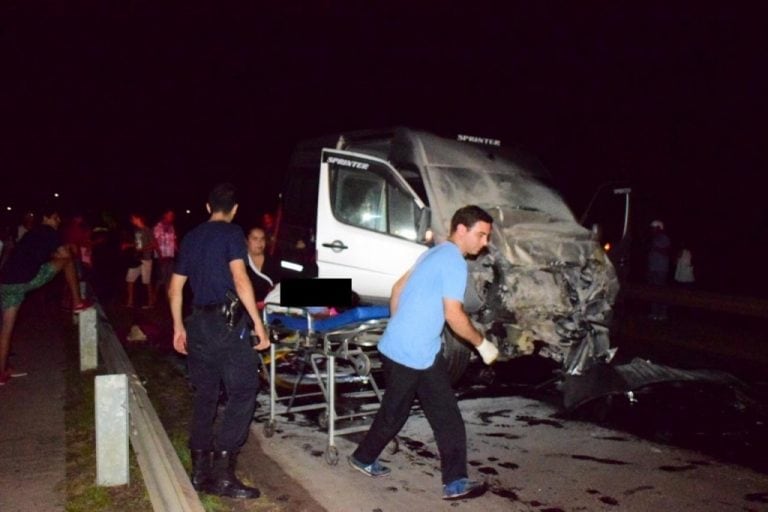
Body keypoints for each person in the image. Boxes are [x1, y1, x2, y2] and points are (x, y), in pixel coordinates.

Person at [349, 205, 499, 501]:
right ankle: (363, 458)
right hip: (408, 353)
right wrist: (482, 344)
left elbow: (397, 289)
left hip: (416, 350)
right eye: (481, 235)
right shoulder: (454, 261)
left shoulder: (433, 252)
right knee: (395, 413)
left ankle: (455, 482)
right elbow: (454, 315)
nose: (484, 243)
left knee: (444, 415)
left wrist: (401, 326)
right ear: (461, 230)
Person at [169, 182, 270, 499]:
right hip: (228, 326)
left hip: (197, 323)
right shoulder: (232, 234)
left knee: (206, 395)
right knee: (244, 391)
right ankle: (224, 473)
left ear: (208, 207)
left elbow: (174, 289)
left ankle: (199, 472)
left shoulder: (192, 237)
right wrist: (258, 324)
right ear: (235, 209)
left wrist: (177, 328)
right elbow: (240, 279)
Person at [0, 206, 91, 385]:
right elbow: (63, 255)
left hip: (6, 284)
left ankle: (0, 373)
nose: (58, 222)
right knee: (67, 260)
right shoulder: (49, 231)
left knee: (5, 331)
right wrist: (68, 251)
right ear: (46, 218)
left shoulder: (31, 234)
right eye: (55, 218)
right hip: (25, 280)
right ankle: (77, 302)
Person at [123, 213, 156, 308]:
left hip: (146, 258)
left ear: (138, 218)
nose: (132, 220)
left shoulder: (147, 230)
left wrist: (142, 249)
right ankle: (130, 302)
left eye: (133, 218)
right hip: (136, 259)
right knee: (129, 279)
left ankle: (151, 303)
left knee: (146, 281)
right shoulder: (137, 231)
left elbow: (153, 245)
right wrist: (128, 245)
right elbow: (138, 245)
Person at [245, 226, 281, 303]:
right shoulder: (240, 261)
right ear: (246, 241)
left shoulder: (272, 261)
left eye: (262, 239)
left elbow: (277, 285)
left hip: (267, 305)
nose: (260, 242)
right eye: (255, 239)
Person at [647, 219, 671, 320]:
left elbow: (667, 252)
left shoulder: (664, 238)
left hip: (660, 269)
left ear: (658, 228)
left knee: (660, 291)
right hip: (653, 268)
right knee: (653, 291)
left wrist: (655, 248)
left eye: (653, 228)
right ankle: (654, 313)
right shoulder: (653, 238)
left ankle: (662, 314)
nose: (652, 230)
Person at [152, 208, 178, 302]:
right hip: (161, 256)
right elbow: (155, 242)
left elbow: (173, 241)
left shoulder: (171, 227)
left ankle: (168, 298)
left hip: (170, 256)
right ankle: (153, 296)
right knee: (160, 279)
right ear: (165, 215)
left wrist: (178, 251)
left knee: (169, 278)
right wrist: (160, 255)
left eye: (173, 215)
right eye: (170, 214)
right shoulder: (158, 226)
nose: (172, 217)